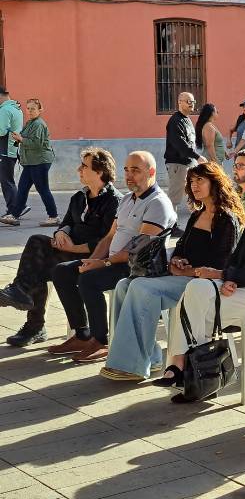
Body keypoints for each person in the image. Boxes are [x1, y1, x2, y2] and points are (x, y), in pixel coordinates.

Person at [100, 161, 245, 381]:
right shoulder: (197, 215)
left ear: (214, 183)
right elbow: (180, 248)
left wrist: (187, 271)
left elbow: (221, 263)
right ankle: (148, 356)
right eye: (191, 181)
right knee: (124, 285)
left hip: (203, 284)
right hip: (183, 276)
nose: (194, 185)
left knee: (141, 287)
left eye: (200, 180)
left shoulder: (227, 219)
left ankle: (131, 366)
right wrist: (177, 260)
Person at [157, 182, 245, 402]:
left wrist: (223, 276)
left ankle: (187, 371)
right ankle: (199, 376)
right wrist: (230, 278)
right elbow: (233, 260)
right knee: (195, 290)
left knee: (195, 306)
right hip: (239, 291)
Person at [48, 151, 176, 362]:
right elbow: (109, 237)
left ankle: (101, 341)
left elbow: (139, 249)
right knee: (62, 272)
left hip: (138, 268)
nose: (129, 175)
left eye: (136, 170)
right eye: (127, 170)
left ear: (151, 172)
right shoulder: (127, 199)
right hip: (112, 261)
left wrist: (102, 263)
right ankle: (82, 334)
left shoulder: (158, 203)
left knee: (88, 280)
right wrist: (93, 261)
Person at [0, 148, 121, 346]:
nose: (78, 169)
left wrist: (73, 248)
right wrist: (61, 233)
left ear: (100, 172)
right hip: (68, 251)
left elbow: (105, 241)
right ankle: (22, 292)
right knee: (36, 241)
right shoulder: (79, 197)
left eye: (84, 166)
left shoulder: (114, 201)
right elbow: (65, 223)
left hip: (93, 256)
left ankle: (34, 323)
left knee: (38, 268)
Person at [1, 98, 58, 226]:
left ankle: (53, 216)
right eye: (28, 108)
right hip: (31, 162)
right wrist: (17, 139)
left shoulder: (38, 124)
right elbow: (24, 139)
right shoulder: (30, 123)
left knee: (43, 189)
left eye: (33, 109)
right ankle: (14, 215)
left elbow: (36, 144)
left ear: (40, 110)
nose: (30, 111)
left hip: (40, 161)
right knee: (22, 189)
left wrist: (20, 138)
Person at [164, 91, 206, 236]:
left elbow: (191, 143)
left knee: (193, 193)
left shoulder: (187, 120)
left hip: (189, 163)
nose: (191, 104)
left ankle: (198, 222)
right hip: (178, 164)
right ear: (179, 102)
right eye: (188, 101)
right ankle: (170, 227)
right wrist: (197, 156)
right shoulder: (175, 121)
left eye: (193, 102)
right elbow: (179, 144)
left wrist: (195, 158)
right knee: (174, 197)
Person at [0, 87, 23, 217]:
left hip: (5, 150)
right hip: (13, 148)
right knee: (8, 179)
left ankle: (15, 209)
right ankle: (17, 207)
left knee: (6, 180)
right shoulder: (17, 108)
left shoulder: (4, 110)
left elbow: (1, 131)